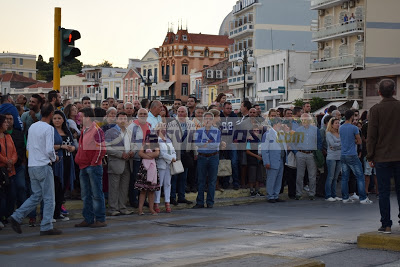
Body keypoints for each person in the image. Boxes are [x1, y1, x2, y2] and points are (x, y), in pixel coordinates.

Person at [9, 103, 62, 236]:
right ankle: (46, 226)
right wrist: (54, 158)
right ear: (51, 114)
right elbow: (49, 149)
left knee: (36, 195)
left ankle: (17, 216)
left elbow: (29, 146)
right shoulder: (48, 128)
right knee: (49, 198)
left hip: (32, 165)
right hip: (44, 165)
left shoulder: (33, 126)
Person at [367, 79, 400, 234]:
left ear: (379, 92)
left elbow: (372, 135)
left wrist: (370, 155)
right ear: (394, 91)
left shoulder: (375, 109)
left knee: (384, 192)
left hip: (381, 156)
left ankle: (386, 224)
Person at [74, 107, 107, 228]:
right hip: (84, 165)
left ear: (87, 117)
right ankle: (88, 218)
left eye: (80, 116)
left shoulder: (96, 129)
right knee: (86, 194)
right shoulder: (84, 129)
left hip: (92, 166)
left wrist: (94, 163)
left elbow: (101, 148)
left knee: (96, 193)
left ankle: (100, 219)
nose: (78, 118)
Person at [105, 112, 135, 216]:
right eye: (121, 119)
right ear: (116, 120)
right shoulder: (110, 132)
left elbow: (134, 145)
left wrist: (132, 151)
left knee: (124, 187)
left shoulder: (130, 132)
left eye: (125, 119)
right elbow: (106, 148)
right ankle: (113, 208)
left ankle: (122, 207)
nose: (123, 121)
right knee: (114, 186)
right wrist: (120, 154)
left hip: (128, 162)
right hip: (116, 162)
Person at [340, 110, 372, 204]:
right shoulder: (354, 128)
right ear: (351, 117)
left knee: (345, 177)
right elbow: (360, 141)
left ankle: (345, 198)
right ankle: (363, 198)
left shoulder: (341, 127)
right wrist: (354, 140)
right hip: (352, 154)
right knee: (360, 176)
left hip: (343, 154)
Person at [167, 106, 197, 205]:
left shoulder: (191, 124)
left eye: (182, 112)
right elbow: (169, 140)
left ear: (186, 113)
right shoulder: (171, 124)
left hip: (186, 153)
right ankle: (172, 197)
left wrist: (195, 152)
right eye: (179, 111)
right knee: (174, 176)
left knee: (183, 177)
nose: (180, 113)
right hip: (176, 153)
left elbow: (193, 140)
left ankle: (181, 197)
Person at [51, 110, 76, 221]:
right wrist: (62, 146)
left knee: (63, 188)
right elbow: (49, 146)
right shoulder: (50, 131)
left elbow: (74, 144)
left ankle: (58, 212)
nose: (57, 120)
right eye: (55, 118)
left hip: (67, 161)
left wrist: (73, 148)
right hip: (56, 162)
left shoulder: (67, 131)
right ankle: (53, 213)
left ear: (63, 120)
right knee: (56, 188)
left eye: (59, 118)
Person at [193, 112, 221, 209]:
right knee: (201, 180)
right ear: (203, 121)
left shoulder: (216, 131)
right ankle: (200, 202)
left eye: (210, 118)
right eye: (206, 119)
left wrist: (204, 143)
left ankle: (210, 202)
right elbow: (197, 143)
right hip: (202, 157)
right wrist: (207, 142)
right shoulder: (199, 131)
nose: (208, 120)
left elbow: (216, 144)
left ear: (212, 120)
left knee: (212, 181)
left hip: (213, 156)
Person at [294, 113, 322, 200]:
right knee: (299, 175)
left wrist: (317, 152)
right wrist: (296, 153)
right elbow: (293, 142)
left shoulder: (315, 129)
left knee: (312, 175)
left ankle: (312, 193)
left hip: (311, 154)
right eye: (303, 119)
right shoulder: (298, 130)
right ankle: (298, 193)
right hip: (300, 154)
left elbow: (319, 141)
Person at [4, 114, 27, 219]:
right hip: (5, 168)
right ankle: (9, 214)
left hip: (18, 166)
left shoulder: (19, 134)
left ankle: (21, 213)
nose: (9, 121)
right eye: (6, 119)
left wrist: (22, 161)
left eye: (11, 119)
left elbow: (25, 148)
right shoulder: (3, 135)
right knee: (10, 192)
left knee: (21, 187)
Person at [128, 108, 151, 208]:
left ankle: (142, 199)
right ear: (137, 115)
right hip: (137, 156)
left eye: (144, 114)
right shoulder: (132, 125)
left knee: (144, 179)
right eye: (140, 113)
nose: (142, 115)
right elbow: (130, 140)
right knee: (135, 178)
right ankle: (133, 199)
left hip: (147, 156)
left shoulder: (149, 125)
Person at [262, 118, 287, 203]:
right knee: (271, 179)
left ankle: (276, 195)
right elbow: (264, 149)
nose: (281, 126)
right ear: (275, 124)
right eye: (280, 124)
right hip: (272, 160)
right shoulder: (268, 134)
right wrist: (266, 162)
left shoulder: (281, 134)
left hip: (281, 159)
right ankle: (270, 196)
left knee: (279, 179)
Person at [135, 134, 160, 215]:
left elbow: (156, 154)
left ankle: (151, 209)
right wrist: (149, 156)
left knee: (151, 191)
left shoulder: (156, 146)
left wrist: (146, 156)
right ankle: (140, 209)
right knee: (143, 190)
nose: (148, 140)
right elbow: (140, 153)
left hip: (152, 170)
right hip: (144, 170)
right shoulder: (144, 145)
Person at [154, 123, 176, 213]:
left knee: (168, 184)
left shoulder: (168, 140)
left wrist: (174, 157)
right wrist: (171, 158)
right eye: (162, 128)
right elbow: (160, 153)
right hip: (161, 164)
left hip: (169, 165)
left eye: (165, 128)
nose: (164, 130)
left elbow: (173, 150)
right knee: (159, 184)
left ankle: (167, 202)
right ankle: (156, 202)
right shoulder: (156, 140)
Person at [325, 118, 342, 202]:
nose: (338, 124)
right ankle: (328, 195)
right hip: (331, 157)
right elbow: (332, 144)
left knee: (336, 178)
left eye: (338, 123)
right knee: (330, 177)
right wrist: (339, 145)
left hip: (339, 157)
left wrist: (336, 146)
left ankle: (334, 194)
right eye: (336, 123)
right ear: (331, 124)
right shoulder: (328, 133)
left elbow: (337, 144)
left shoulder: (340, 133)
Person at [246, 125, 264, 197]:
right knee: (252, 176)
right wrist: (256, 156)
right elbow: (247, 151)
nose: (256, 132)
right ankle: (251, 190)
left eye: (257, 130)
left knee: (258, 176)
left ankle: (257, 190)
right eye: (254, 130)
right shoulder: (249, 140)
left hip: (259, 160)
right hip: (252, 160)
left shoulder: (260, 140)